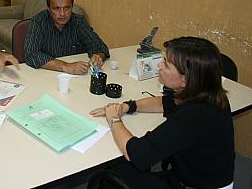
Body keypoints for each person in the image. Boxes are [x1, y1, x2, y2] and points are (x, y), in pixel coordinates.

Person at [90, 37, 234, 189]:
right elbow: (165, 102)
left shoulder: (193, 115)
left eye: (166, 63)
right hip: (193, 176)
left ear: (185, 80)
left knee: (110, 177)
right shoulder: (206, 93)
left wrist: (114, 119)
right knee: (123, 168)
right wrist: (128, 106)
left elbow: (136, 153)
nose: (159, 65)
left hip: (194, 185)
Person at [24, 0, 110, 75]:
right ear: (48, 9)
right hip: (45, 75)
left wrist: (98, 57)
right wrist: (66, 66)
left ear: (72, 7)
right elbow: (31, 55)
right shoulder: (38, 22)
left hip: (78, 78)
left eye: (67, 8)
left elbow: (100, 47)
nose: (62, 14)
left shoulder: (78, 22)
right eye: (56, 8)